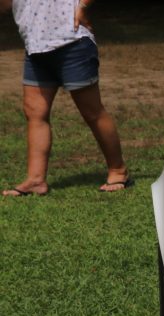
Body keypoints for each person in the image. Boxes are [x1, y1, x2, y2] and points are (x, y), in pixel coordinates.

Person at [1, 0, 129, 196]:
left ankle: (118, 170)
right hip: (36, 47)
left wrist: (82, 6)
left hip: (71, 41)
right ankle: (36, 180)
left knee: (92, 112)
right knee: (35, 113)